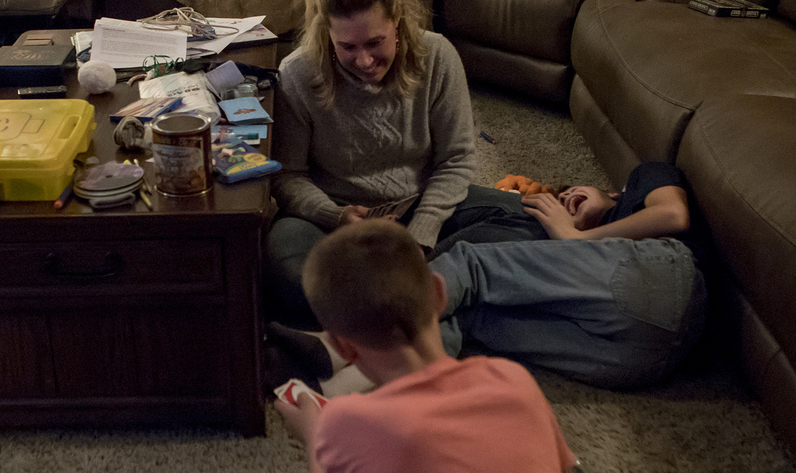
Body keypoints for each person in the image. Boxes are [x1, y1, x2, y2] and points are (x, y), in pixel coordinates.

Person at [272, 162, 707, 391]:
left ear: (610, 191)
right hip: (641, 362)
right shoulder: (562, 260)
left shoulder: (644, 179)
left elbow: (673, 214)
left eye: (582, 192)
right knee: (475, 318)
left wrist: (568, 232)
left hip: (668, 281)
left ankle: (336, 343)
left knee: (471, 265)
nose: (572, 196)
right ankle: (337, 384)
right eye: (566, 194)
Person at [265, 0, 478, 329]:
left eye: (375, 42)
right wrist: (338, 216)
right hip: (337, 218)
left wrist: (420, 237)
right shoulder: (298, 72)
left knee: (521, 225)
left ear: (397, 20)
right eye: (347, 47)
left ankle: (362, 324)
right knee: (282, 266)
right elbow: (289, 176)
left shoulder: (438, 55)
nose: (363, 60)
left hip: (419, 207)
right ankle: (423, 310)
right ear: (326, 32)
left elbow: (457, 159)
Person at [274, 218, 578, 473]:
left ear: (341, 345)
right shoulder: (515, 380)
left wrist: (314, 431)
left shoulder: (347, 423)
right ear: (439, 294)